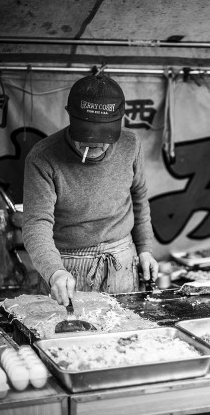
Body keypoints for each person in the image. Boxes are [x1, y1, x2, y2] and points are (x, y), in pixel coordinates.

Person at [22, 74, 158, 305]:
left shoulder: (130, 145)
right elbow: (36, 223)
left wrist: (145, 248)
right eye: (86, 135)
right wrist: (55, 271)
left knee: (128, 336)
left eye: (104, 136)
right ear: (71, 117)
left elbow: (139, 197)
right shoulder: (42, 157)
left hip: (122, 259)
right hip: (67, 266)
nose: (94, 143)